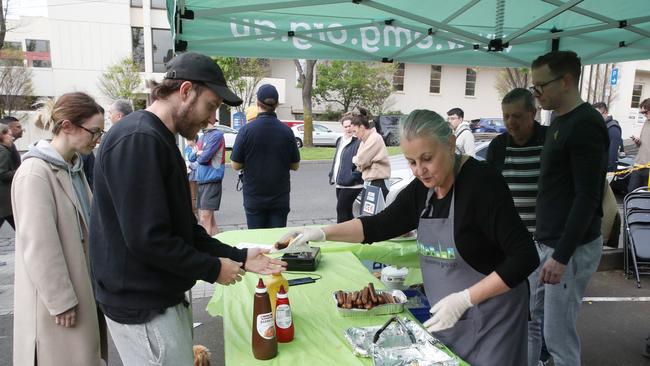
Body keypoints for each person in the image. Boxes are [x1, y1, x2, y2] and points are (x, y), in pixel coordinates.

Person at [281, 109, 539, 365]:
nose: (419, 170)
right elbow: (379, 225)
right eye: (411, 162)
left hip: (494, 321)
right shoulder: (422, 190)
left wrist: (465, 299)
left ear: (450, 144)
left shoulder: (482, 184)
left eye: (427, 159)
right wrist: (322, 232)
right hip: (452, 320)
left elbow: (525, 257)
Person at [89, 52, 286, 366]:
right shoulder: (139, 139)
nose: (211, 120)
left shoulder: (158, 137)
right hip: (144, 308)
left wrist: (239, 257)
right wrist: (213, 269)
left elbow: (184, 229)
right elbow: (148, 240)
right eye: (210, 107)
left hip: (161, 297)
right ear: (185, 91)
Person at [12, 92, 107, 366]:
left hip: (82, 285)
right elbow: (39, 245)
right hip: (57, 303)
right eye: (94, 131)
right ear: (67, 126)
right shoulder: (35, 172)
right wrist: (61, 301)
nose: (97, 138)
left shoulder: (71, 167)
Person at [528, 50, 608, 366]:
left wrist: (561, 256)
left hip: (568, 250)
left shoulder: (586, 124)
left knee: (558, 339)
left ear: (566, 80)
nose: (536, 94)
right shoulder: (559, 121)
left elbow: (588, 196)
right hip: (547, 242)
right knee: (531, 320)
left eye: (540, 86)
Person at [231, 84, 300, 229]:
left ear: (257, 104)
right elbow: (295, 165)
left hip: (254, 198)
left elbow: (236, 165)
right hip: (279, 198)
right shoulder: (287, 132)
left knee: (257, 242)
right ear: (276, 105)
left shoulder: (245, 131)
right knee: (277, 243)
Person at [189, 121, 226, 235]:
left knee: (205, 218)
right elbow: (191, 157)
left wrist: (199, 154)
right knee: (209, 219)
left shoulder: (217, 135)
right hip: (202, 180)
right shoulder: (202, 136)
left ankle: (209, 250)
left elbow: (203, 159)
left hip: (212, 179)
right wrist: (199, 153)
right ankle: (219, 249)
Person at [328, 113, 363, 222]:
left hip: (352, 184)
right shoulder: (340, 140)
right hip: (340, 182)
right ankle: (354, 233)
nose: (348, 128)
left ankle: (341, 235)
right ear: (342, 127)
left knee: (341, 209)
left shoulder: (358, 141)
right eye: (345, 126)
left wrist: (353, 177)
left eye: (350, 126)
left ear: (354, 126)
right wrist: (332, 174)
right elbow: (337, 158)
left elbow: (362, 162)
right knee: (346, 211)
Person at [351, 108, 391, 199]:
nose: (354, 134)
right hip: (369, 182)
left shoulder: (375, 138)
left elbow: (361, 161)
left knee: (376, 213)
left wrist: (357, 161)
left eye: (355, 131)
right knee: (367, 213)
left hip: (378, 182)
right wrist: (359, 161)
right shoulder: (363, 141)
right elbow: (360, 164)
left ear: (361, 127)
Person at [593, 102, 623, 172]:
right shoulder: (601, 126)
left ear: (605, 113)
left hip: (605, 170)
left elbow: (612, 155)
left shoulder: (613, 129)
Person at [629, 98, 650, 192]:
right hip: (639, 164)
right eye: (642, 113)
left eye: (645, 112)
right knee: (632, 192)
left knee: (646, 198)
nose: (644, 115)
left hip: (648, 167)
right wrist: (638, 141)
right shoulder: (646, 122)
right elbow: (644, 143)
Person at [0, 125, 17, 229]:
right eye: (10, 135)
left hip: (4, 202)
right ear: (2, 136)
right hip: (5, 200)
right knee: (21, 228)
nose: (12, 138)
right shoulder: (3, 151)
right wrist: (19, 171)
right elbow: (2, 174)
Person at [184, 138, 199, 216]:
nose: (188, 142)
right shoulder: (186, 148)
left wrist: (190, 166)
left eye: (190, 140)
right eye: (187, 140)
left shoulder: (196, 148)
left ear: (194, 140)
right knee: (188, 194)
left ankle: (193, 212)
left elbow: (198, 163)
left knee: (193, 195)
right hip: (187, 173)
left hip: (193, 175)